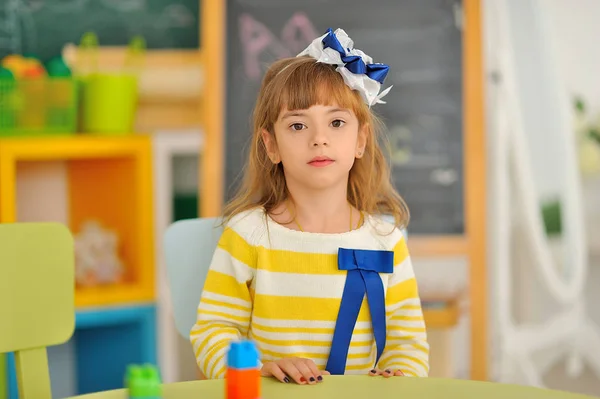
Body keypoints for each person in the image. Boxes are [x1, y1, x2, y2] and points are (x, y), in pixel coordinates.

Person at [190, 27, 429, 385]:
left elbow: (407, 342)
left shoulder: (386, 240)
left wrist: (399, 376)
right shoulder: (249, 234)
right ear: (271, 146)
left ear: (360, 139)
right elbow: (214, 330)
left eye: (336, 122)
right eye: (298, 125)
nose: (319, 138)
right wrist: (258, 369)